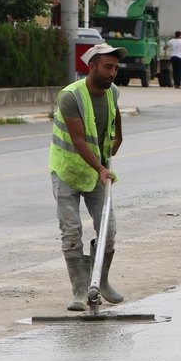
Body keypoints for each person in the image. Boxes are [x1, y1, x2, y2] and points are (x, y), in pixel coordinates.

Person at [49, 43, 126, 311]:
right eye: (107, 67)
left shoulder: (112, 92)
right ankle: (80, 292)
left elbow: (116, 129)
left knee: (109, 229)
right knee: (71, 231)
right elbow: (79, 140)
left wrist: (115, 143)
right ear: (91, 66)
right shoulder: (70, 96)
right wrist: (101, 168)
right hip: (68, 171)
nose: (113, 73)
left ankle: (101, 282)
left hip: (97, 174)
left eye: (115, 68)